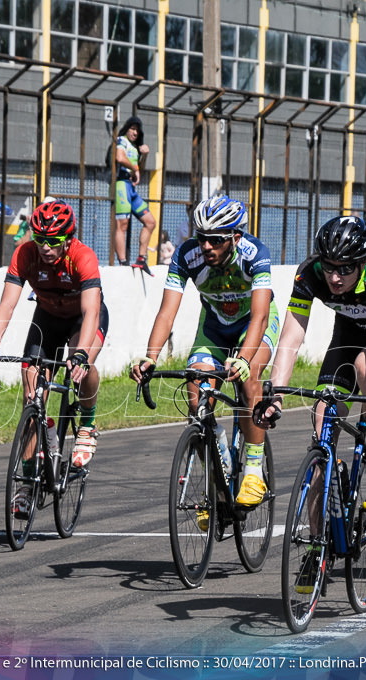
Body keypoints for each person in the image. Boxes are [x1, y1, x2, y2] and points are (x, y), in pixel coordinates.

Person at [257, 215, 366, 514]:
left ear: (363, 262)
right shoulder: (309, 273)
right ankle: (317, 551)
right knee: (322, 424)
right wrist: (275, 395)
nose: (334, 277)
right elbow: (291, 339)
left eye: (345, 269)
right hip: (347, 335)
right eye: (329, 267)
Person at [129, 195, 280, 510]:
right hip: (213, 328)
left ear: (234, 237)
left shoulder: (255, 254)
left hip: (253, 326)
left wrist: (243, 357)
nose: (206, 246)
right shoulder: (186, 255)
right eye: (201, 238)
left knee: (249, 376)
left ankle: (253, 470)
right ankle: (215, 471)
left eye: (215, 240)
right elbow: (167, 312)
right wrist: (150, 356)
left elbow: (260, 316)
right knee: (196, 395)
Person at [0, 200, 107, 517]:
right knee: (31, 396)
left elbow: (91, 311)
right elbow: (7, 304)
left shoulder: (83, 256)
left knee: (85, 362)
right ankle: (26, 483)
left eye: (53, 240)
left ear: (68, 238)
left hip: (82, 319)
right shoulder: (24, 254)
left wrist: (79, 355)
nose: (46, 247)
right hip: (47, 319)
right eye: (40, 239)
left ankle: (87, 425)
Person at [112, 116, 158, 272]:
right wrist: (135, 168)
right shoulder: (121, 140)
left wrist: (144, 155)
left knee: (150, 222)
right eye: (132, 129)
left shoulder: (134, 146)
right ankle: (123, 263)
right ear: (127, 129)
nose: (135, 133)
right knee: (122, 224)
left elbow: (140, 168)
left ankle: (141, 259)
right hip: (121, 185)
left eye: (137, 130)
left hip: (131, 189)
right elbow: (119, 157)